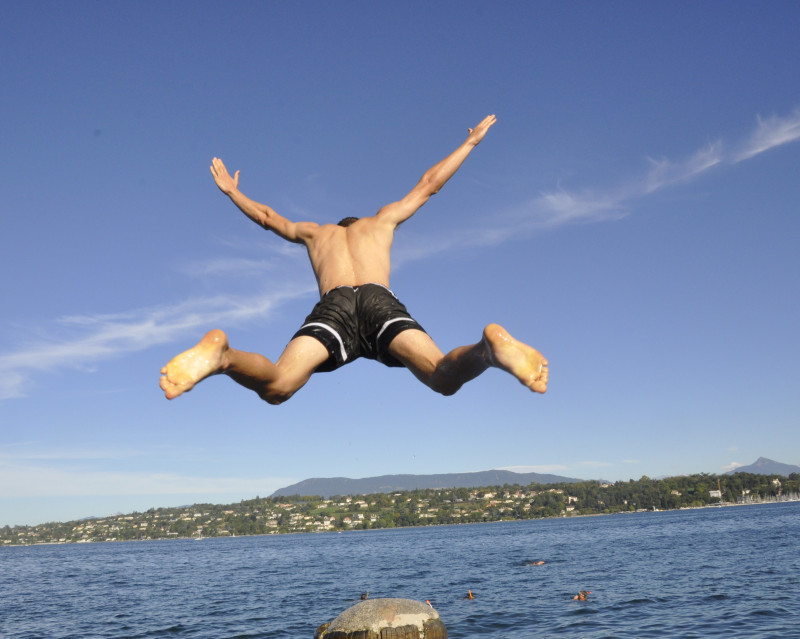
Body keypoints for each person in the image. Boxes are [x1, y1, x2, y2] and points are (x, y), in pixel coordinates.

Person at [159, 115, 548, 404]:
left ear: (337, 225)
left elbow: (267, 218)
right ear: (359, 222)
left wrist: (233, 193)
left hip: (335, 305)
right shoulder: (381, 221)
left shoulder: (315, 233)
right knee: (442, 376)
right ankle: (486, 350)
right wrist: (469, 144)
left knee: (278, 384)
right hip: (380, 301)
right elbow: (429, 186)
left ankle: (224, 356)